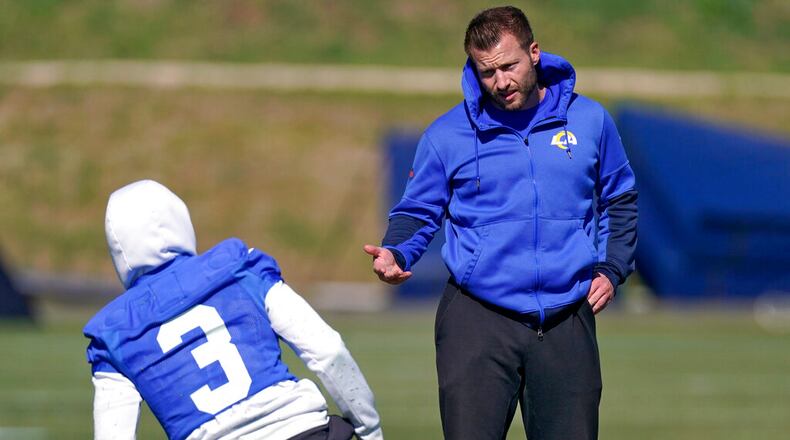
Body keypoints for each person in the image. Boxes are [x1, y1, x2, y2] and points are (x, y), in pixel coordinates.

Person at [363, 6, 637, 440]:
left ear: (534, 53)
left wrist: (612, 266)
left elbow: (620, 198)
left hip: (566, 316)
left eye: (509, 66)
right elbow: (417, 210)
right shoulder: (446, 134)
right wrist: (396, 251)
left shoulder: (590, 120)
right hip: (477, 318)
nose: (501, 82)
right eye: (487, 72)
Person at [85, 180, 383, 440]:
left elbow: (114, 434)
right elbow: (328, 350)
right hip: (303, 430)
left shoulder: (112, 333)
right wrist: (370, 431)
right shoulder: (239, 267)